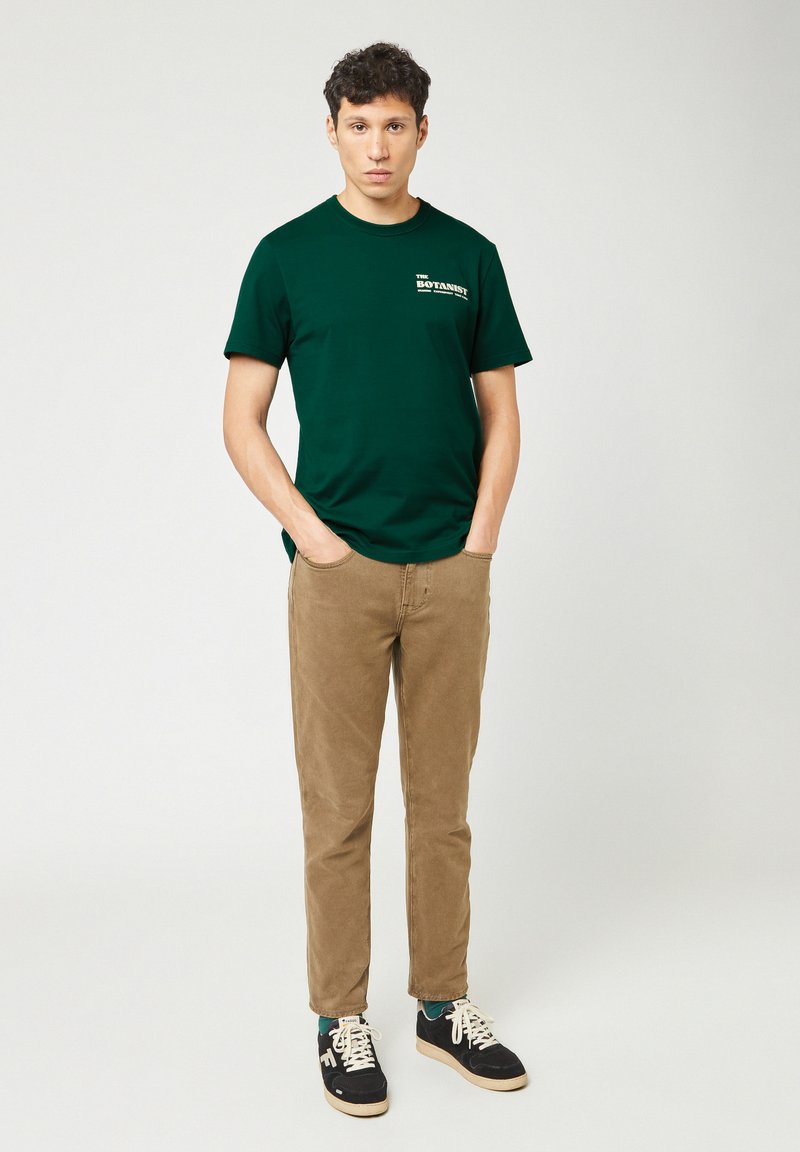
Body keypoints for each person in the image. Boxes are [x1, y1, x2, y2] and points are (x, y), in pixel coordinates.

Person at [222, 41, 533, 1117]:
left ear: (421, 132)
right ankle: (338, 1019)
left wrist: (479, 540)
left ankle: (441, 1006)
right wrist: (312, 538)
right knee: (337, 811)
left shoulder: (468, 255)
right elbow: (241, 419)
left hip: (450, 570)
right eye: (358, 125)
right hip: (338, 576)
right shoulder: (286, 257)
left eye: (394, 124)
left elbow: (502, 412)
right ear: (332, 131)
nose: (376, 145)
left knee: (441, 809)